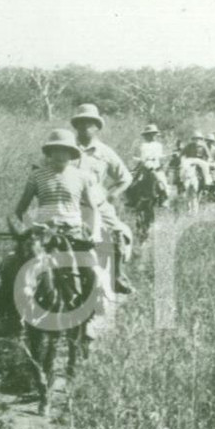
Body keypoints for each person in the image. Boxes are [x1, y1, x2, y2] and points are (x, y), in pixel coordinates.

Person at [0, 128, 108, 330]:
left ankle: (90, 318)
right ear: (50, 152)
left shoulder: (82, 177)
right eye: (56, 150)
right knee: (11, 264)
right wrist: (32, 226)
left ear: (71, 153)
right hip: (42, 235)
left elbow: (92, 208)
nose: (60, 154)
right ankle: (7, 314)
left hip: (73, 233)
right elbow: (20, 210)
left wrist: (95, 232)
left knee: (93, 272)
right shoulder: (37, 176)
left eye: (65, 150)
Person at [70, 104, 134, 294]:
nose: (85, 126)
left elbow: (126, 177)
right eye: (81, 122)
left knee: (118, 233)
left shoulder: (104, 152)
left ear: (97, 126)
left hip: (97, 204)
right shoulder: (65, 148)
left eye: (90, 123)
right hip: (68, 203)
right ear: (76, 125)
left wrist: (113, 193)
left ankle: (117, 276)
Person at [134, 123, 170, 205]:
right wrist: (141, 161)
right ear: (146, 136)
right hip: (146, 165)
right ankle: (133, 199)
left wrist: (166, 157)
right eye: (148, 135)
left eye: (153, 134)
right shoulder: (143, 145)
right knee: (135, 180)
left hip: (156, 165)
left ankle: (164, 197)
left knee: (162, 180)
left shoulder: (158, 145)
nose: (151, 136)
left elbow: (160, 156)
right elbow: (142, 157)